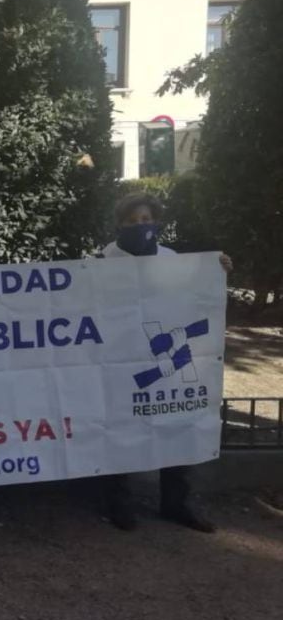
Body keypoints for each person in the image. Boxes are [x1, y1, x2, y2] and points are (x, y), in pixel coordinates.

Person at [98, 192, 233, 533]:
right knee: (121, 426)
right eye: (132, 221)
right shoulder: (102, 260)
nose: (140, 226)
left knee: (176, 423)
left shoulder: (172, 259)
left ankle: (176, 503)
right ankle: (119, 502)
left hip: (166, 354)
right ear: (120, 224)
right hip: (121, 356)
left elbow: (195, 295)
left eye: (146, 220)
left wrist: (218, 271)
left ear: (155, 222)